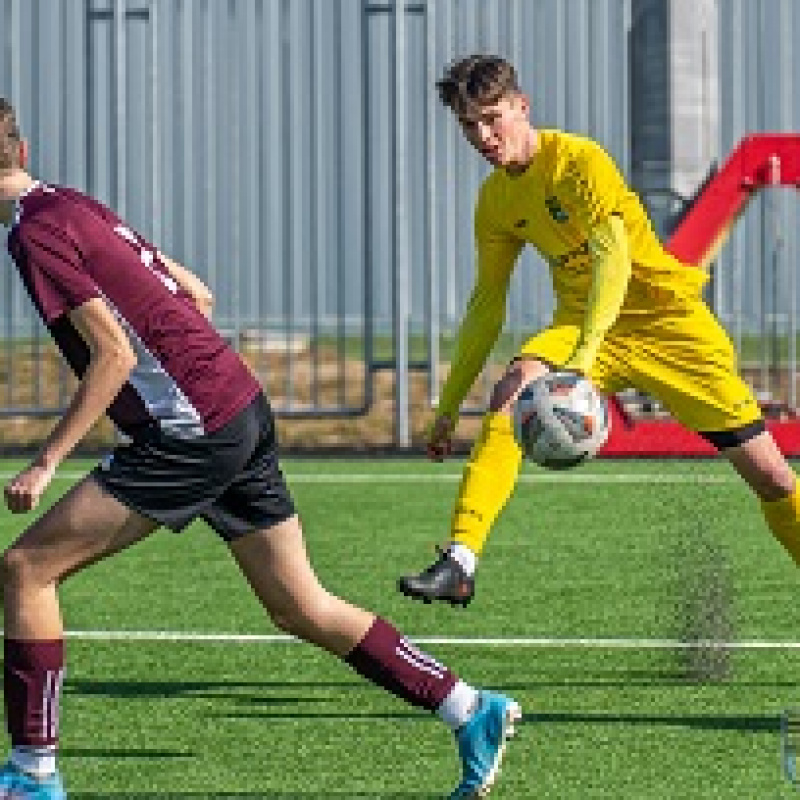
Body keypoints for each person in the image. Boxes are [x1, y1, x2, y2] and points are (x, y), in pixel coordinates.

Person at [0, 98, 520, 800]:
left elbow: (113, 356)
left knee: (27, 570)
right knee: (299, 605)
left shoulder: (33, 237)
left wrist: (47, 459)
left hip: (192, 431)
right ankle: (468, 707)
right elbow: (196, 294)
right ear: (23, 151)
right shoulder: (68, 203)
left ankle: (33, 773)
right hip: (236, 403)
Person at [398, 54, 799, 607]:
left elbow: (613, 258)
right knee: (511, 391)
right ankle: (460, 560)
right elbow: (487, 304)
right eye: (469, 125)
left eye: (493, 117)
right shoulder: (495, 201)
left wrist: (583, 360)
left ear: (522, 106)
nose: (484, 136)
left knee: (774, 479)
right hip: (582, 326)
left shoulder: (579, 161)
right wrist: (447, 407)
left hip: (669, 326)